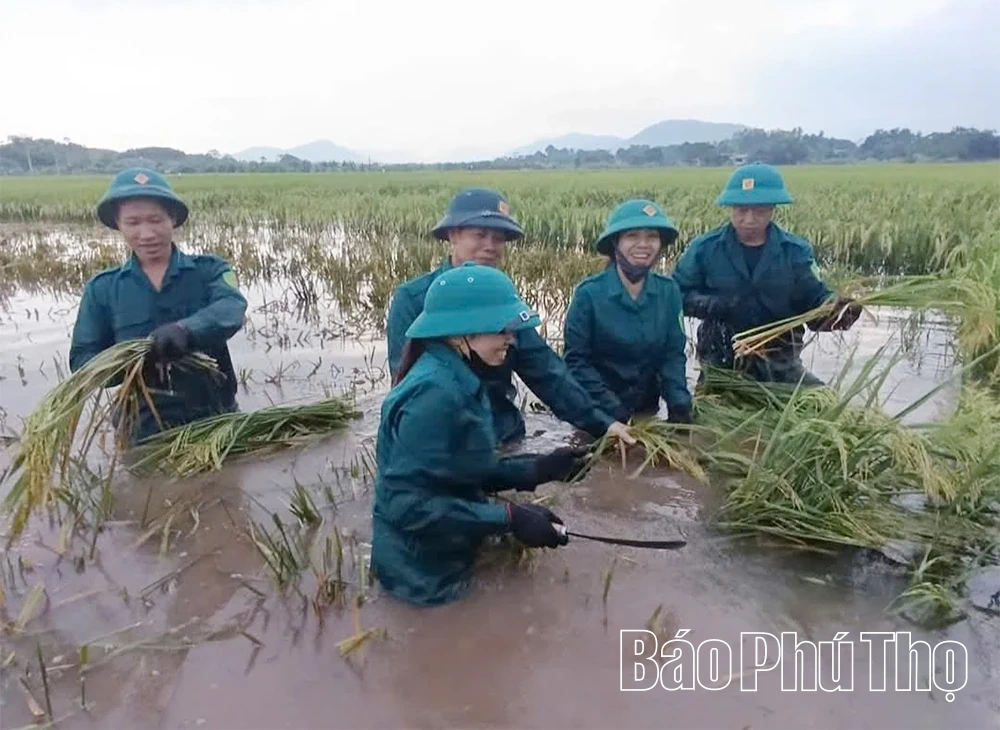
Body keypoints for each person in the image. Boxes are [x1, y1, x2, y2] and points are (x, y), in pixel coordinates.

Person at [372, 262, 587, 606]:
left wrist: (537, 468)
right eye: (502, 329)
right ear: (461, 334)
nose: (511, 340)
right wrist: (510, 518)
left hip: (448, 553)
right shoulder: (434, 396)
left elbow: (457, 470)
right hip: (421, 578)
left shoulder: (459, 377)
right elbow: (409, 507)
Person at [385, 187, 634, 447]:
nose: (490, 246)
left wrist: (603, 423)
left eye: (498, 238)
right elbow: (406, 382)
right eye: (480, 235)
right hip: (448, 441)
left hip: (502, 434)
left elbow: (548, 373)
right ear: (453, 235)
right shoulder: (413, 300)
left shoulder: (503, 302)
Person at [69, 167, 248, 444]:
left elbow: (231, 307)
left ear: (172, 219)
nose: (147, 233)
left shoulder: (210, 270)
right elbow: (83, 361)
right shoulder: (102, 289)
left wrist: (185, 331)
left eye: (155, 220)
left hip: (216, 421)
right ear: (118, 224)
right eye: (133, 223)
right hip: (143, 430)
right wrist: (132, 361)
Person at [672, 162, 862, 386]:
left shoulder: (795, 251)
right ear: (731, 208)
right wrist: (717, 305)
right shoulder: (705, 249)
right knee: (708, 416)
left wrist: (837, 312)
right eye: (742, 210)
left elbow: (814, 300)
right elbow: (675, 296)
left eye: (760, 210)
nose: (749, 219)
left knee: (821, 404)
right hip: (721, 363)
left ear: (773, 209)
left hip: (780, 363)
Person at [563, 199, 693, 425]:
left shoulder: (668, 291)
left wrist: (678, 402)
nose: (643, 244)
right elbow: (576, 362)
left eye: (652, 236)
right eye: (632, 236)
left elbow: (672, 354)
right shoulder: (589, 295)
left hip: (645, 407)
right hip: (597, 411)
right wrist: (612, 409)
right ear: (616, 243)